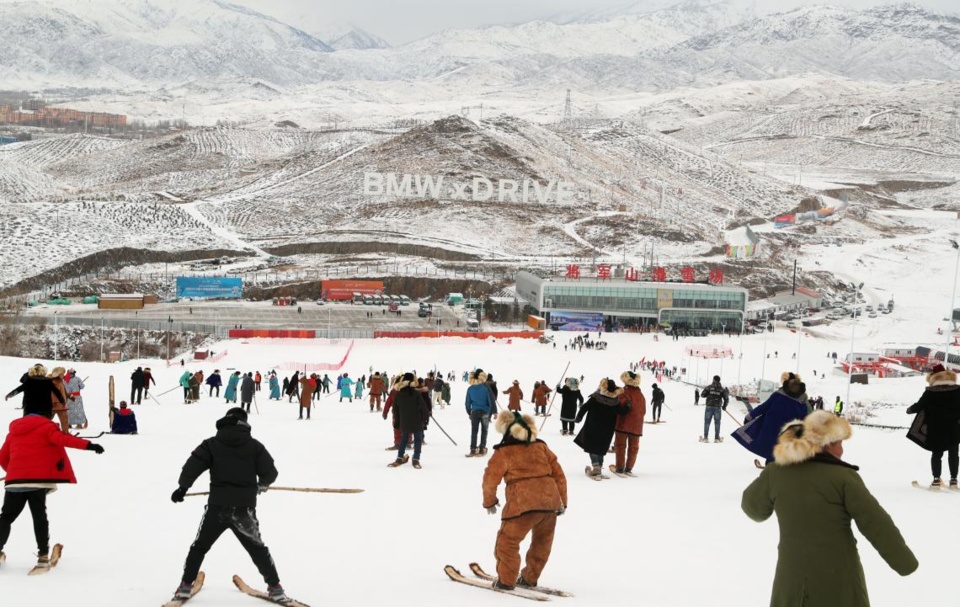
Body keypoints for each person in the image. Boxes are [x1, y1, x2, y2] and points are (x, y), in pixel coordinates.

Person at [741, 410, 918, 606]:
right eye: (839, 443)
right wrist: (904, 562)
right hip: (838, 579)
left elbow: (753, 508)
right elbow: (875, 523)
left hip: (791, 578)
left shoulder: (776, 472)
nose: (842, 451)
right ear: (827, 444)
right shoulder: (843, 477)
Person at [170, 408, 289, 603]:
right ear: (244, 422)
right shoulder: (254, 446)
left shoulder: (212, 444)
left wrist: (182, 488)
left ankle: (185, 586)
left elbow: (193, 465)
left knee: (199, 547)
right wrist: (262, 484)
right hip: (244, 508)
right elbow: (270, 472)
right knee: (257, 549)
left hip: (217, 507)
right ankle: (275, 588)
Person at [0, 387, 104, 568]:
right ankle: (42, 555)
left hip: (14, 482)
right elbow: (65, 440)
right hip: (38, 482)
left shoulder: (14, 432)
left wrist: (13, 471)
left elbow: (2, 457)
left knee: (6, 517)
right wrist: (89, 445)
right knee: (39, 517)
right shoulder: (46, 427)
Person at [482, 411, 567, 591]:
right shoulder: (542, 447)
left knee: (507, 542)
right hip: (550, 504)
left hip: (522, 505)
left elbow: (490, 479)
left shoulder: (504, 452)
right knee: (542, 543)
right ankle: (529, 578)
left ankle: (506, 581)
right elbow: (559, 475)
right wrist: (562, 501)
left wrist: (489, 501)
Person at [733, 372, 809, 464]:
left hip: (770, 428)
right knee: (781, 450)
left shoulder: (778, 395)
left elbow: (764, 407)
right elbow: (805, 419)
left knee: (770, 449)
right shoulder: (803, 402)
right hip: (788, 432)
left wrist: (750, 416)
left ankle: (770, 467)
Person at [906, 363, 960, 488]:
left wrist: (909, 410)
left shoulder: (930, 392)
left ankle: (936, 480)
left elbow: (919, 406)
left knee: (937, 454)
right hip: (954, 428)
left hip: (936, 428)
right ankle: (953, 480)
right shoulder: (958, 390)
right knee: (954, 453)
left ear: (933, 377)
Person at [574, 379, 629, 478]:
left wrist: (578, 418)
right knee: (601, 447)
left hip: (593, 426)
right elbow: (621, 412)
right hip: (607, 429)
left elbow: (585, 407)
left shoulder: (596, 397)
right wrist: (628, 407)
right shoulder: (615, 401)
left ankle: (596, 467)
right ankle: (599, 466)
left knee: (592, 446)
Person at [387, 373, 430, 469]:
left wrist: (397, 422)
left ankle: (399, 457)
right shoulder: (416, 393)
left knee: (404, 439)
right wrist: (426, 418)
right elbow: (424, 407)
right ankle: (416, 458)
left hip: (404, 421)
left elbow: (395, 410)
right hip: (417, 421)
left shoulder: (399, 394)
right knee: (418, 439)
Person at [613, 371, 646, 476]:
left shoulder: (623, 393)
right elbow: (644, 411)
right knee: (633, 447)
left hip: (622, 424)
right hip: (637, 426)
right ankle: (629, 468)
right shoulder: (641, 395)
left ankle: (619, 468)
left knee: (620, 446)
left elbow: (619, 407)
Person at [466, 369, 495, 457]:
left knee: (474, 431)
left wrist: (469, 412)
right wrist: (490, 412)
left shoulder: (470, 388)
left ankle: (473, 449)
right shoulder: (485, 388)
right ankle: (482, 449)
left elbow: (467, 402)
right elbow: (490, 400)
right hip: (485, 411)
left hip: (474, 411)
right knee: (484, 431)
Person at [699, 375, 729, 443]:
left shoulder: (709, 387)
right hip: (717, 408)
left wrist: (708, 394)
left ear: (713, 380)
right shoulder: (722, 389)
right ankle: (716, 438)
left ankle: (706, 438)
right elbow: (726, 399)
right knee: (717, 423)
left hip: (709, 406)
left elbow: (702, 395)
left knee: (707, 422)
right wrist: (724, 406)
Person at [48, 367, 70, 433]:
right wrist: (55, 402)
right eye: (62, 374)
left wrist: (69, 396)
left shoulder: (59, 381)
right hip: (58, 405)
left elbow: (62, 392)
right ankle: (65, 434)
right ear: (58, 374)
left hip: (59, 405)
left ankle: (65, 433)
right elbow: (53, 394)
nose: (63, 375)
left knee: (47, 419)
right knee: (64, 420)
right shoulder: (55, 382)